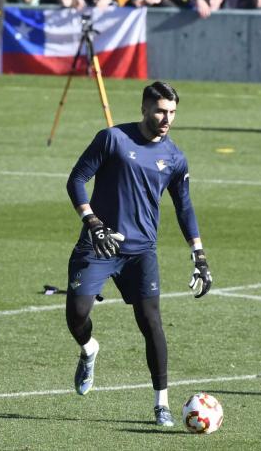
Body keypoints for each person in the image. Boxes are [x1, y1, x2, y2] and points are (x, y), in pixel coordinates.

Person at [65, 81, 212, 427]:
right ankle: (89, 350)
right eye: (161, 110)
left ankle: (161, 403)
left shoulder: (175, 157)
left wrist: (199, 253)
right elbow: (76, 179)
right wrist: (92, 221)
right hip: (99, 244)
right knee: (77, 313)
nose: (167, 119)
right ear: (144, 108)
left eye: (172, 112)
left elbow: (184, 207)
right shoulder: (112, 139)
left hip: (141, 252)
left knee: (151, 323)